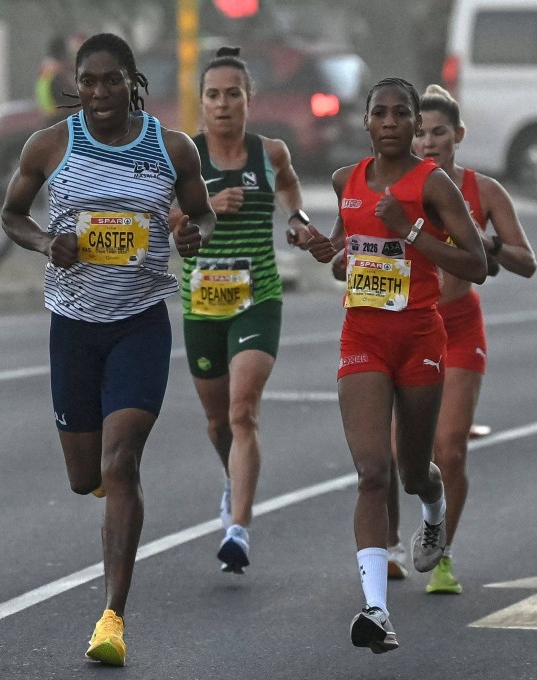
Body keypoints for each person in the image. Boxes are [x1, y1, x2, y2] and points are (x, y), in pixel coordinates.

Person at [0, 33, 215, 667]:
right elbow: (14, 215)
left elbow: (201, 214)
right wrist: (47, 243)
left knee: (121, 464)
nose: (99, 92)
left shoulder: (171, 148)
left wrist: (194, 235)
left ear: (132, 83)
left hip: (139, 325)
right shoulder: (49, 145)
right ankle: (107, 487)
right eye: (88, 82)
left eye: (111, 80)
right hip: (73, 326)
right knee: (85, 478)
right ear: (77, 86)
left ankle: (112, 618)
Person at [304, 77, 487, 653]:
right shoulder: (346, 180)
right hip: (363, 335)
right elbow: (348, 249)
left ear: (413, 122)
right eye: (379, 113)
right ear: (365, 122)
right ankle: (377, 610)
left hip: (420, 338)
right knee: (372, 472)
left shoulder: (431, 183)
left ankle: (433, 510)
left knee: (412, 472)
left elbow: (476, 263)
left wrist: (411, 229)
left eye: (400, 113)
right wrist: (329, 250)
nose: (389, 122)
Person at [378, 84, 537, 592]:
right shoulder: (393, 185)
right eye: (420, 133)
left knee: (449, 449)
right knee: (395, 452)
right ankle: (391, 545)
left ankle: (441, 552)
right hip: (405, 322)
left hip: (459, 326)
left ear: (458, 136)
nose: (427, 142)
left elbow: (526, 262)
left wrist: (487, 242)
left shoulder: (483, 191)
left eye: (439, 133)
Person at [169, 46, 317, 574]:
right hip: (201, 303)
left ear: (249, 99)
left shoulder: (269, 152)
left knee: (242, 412)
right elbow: (165, 218)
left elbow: (290, 187)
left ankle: (239, 529)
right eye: (213, 95)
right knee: (217, 423)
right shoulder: (184, 156)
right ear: (201, 102)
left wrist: (296, 219)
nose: (223, 103)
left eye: (233, 94)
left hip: (258, 299)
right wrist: (206, 205)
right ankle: (232, 479)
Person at [35, 35, 78, 126]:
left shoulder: (44, 69)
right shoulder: (59, 72)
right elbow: (70, 97)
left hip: (48, 117)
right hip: (60, 117)